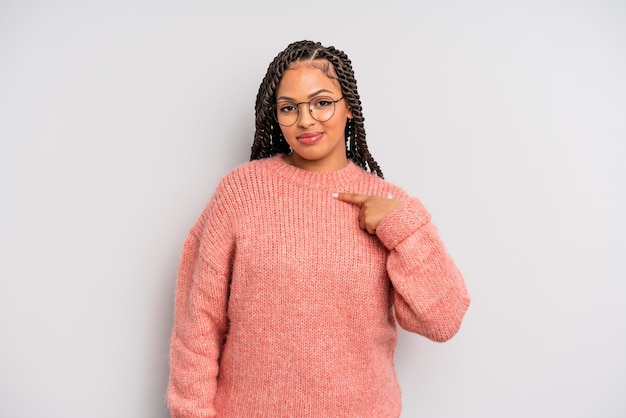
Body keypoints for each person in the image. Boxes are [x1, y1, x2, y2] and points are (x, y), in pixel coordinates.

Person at [167, 40, 470, 418]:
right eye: (289, 108)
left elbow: (442, 321)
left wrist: (402, 226)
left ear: (349, 109)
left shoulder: (387, 205)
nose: (306, 120)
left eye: (322, 102)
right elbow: (198, 322)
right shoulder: (240, 193)